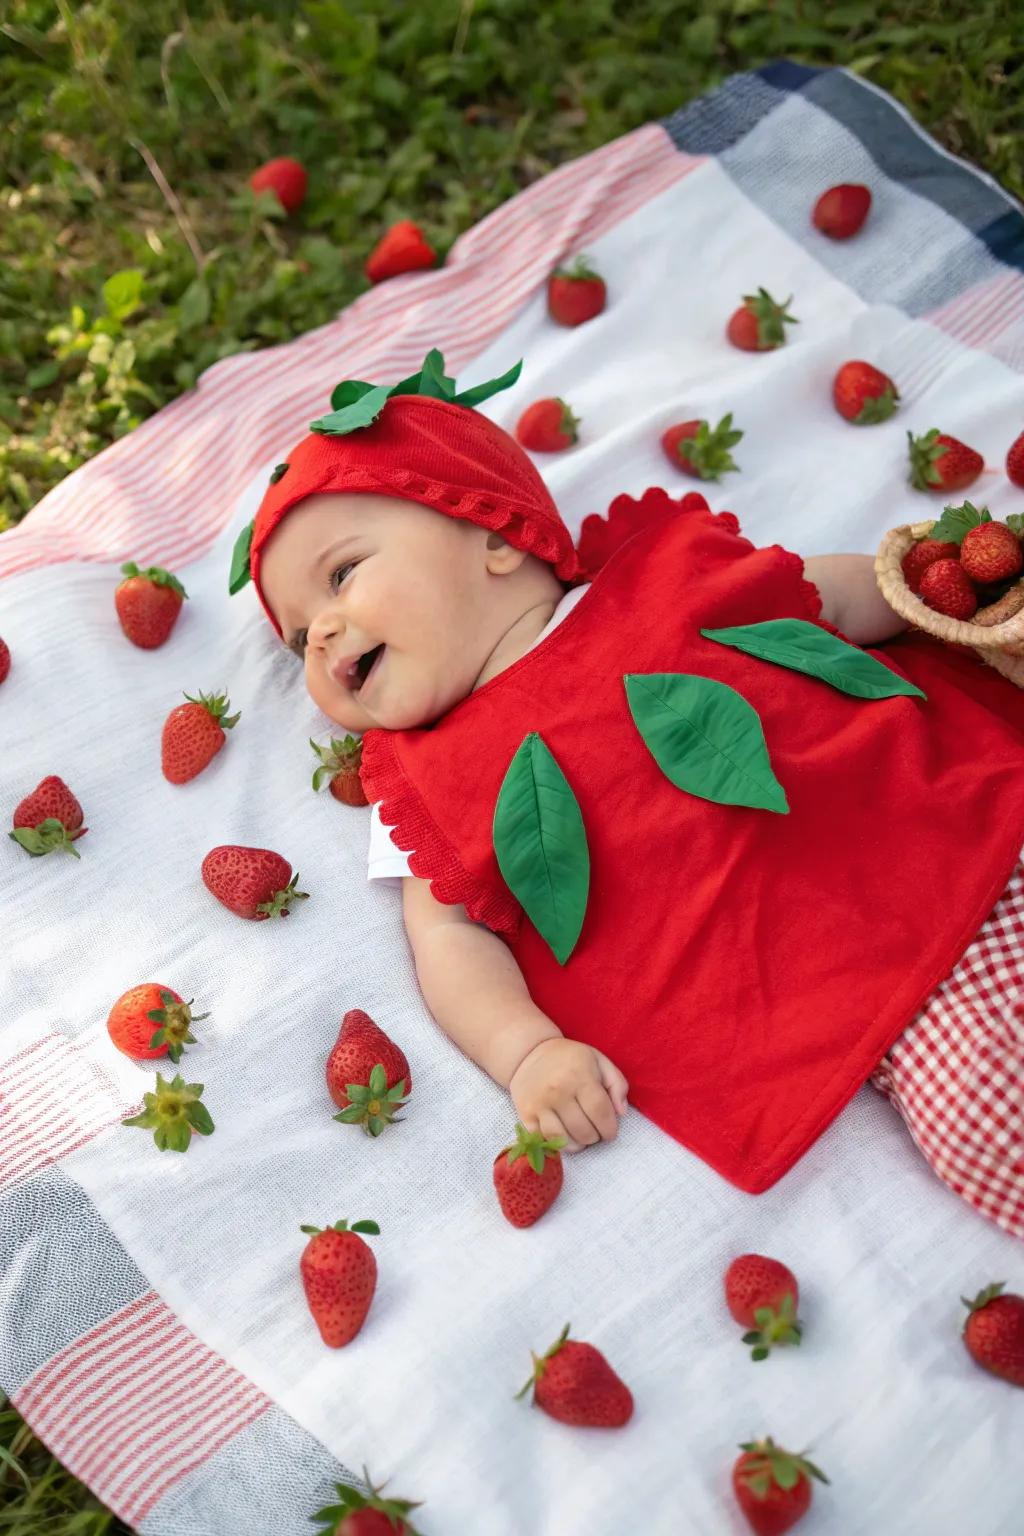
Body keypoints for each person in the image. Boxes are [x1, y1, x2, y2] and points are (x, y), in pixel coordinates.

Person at [230, 351, 1024, 1238]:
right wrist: (525, 1052)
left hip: (970, 816)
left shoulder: (661, 574)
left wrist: (928, 586)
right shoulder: (423, 785)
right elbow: (448, 936)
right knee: (986, 1126)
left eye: (341, 575)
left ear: (491, 531)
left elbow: (817, 604)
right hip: (871, 997)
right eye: (300, 636)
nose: (323, 631)